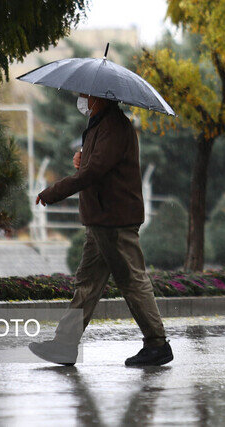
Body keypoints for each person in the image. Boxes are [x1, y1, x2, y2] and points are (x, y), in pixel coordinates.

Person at [29, 94, 173, 366]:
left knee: (132, 280)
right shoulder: (101, 124)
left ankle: (157, 344)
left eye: (87, 95)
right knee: (87, 284)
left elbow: (93, 172)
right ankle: (65, 345)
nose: (82, 99)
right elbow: (98, 166)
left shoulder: (114, 127)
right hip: (101, 219)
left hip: (114, 219)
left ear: (101, 97)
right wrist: (83, 159)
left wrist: (53, 192)